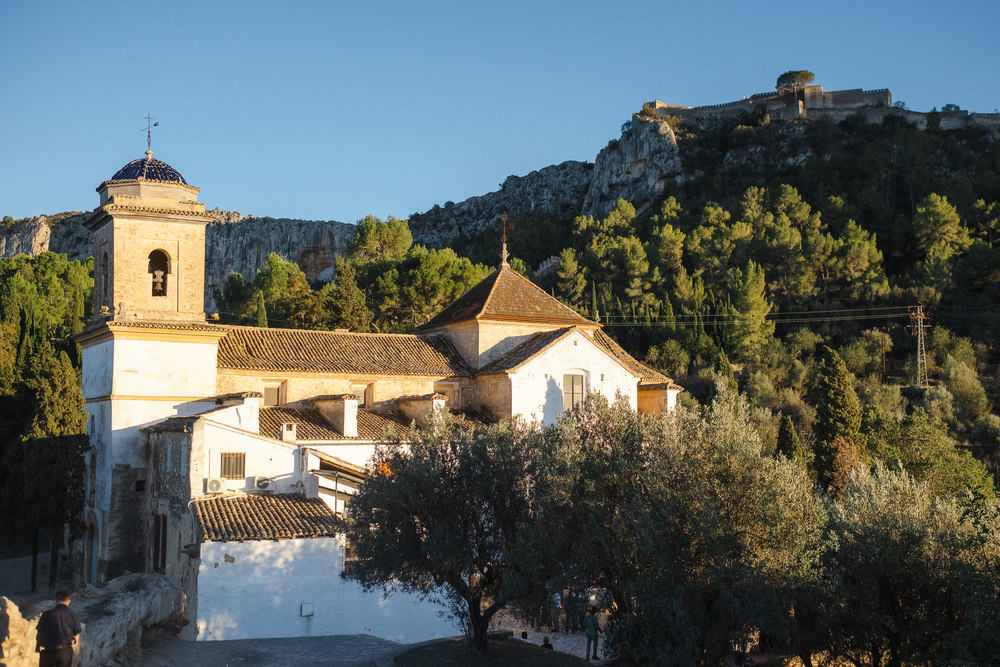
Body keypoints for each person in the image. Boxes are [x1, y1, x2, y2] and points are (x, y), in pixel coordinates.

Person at [35, 590, 81, 667]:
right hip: (65, 652)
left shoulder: (46, 614)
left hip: (49, 651)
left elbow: (40, 631)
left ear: (55, 601)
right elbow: (77, 634)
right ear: (69, 602)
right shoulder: (73, 615)